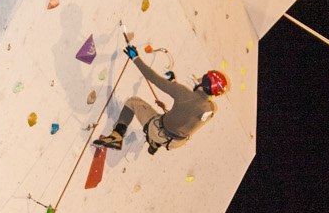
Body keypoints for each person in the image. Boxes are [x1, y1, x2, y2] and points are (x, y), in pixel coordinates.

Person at [94, 46, 228, 154]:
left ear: (204, 83)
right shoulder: (211, 109)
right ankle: (154, 143)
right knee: (164, 119)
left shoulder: (183, 93)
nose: (198, 78)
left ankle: (117, 137)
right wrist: (173, 83)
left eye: (202, 78)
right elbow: (188, 113)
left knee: (133, 102)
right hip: (177, 142)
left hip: (160, 130)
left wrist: (135, 57)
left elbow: (152, 77)